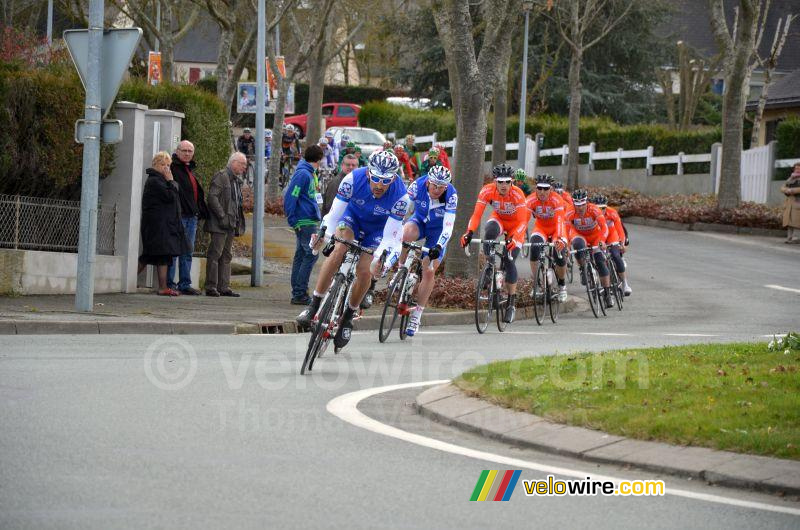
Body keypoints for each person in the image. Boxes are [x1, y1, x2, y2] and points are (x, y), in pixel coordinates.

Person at [297, 150, 409, 351]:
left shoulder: (401, 195)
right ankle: (313, 305)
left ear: (394, 177)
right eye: (375, 179)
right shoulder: (352, 179)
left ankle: (348, 317)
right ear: (368, 173)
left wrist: (379, 258)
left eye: (386, 180)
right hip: (352, 220)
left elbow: (391, 236)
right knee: (339, 249)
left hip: (378, 230)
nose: (380, 185)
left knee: (365, 270)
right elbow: (333, 215)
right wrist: (325, 234)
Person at [461, 163, 529, 323]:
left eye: (507, 181)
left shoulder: (518, 194)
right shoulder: (487, 190)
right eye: (500, 182)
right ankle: (490, 267)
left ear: (512, 181)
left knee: (509, 259)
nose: (504, 185)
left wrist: (515, 237)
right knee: (489, 231)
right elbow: (477, 215)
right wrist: (469, 232)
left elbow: (523, 222)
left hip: (516, 227)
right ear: (495, 181)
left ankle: (511, 303)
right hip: (499, 220)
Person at [400, 165, 458, 336]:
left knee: (429, 271)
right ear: (428, 182)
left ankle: (417, 314)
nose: (437, 189)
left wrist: (439, 246)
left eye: (442, 186)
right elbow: (403, 208)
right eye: (434, 185)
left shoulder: (451, 195)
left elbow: (448, 226)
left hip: (437, 231)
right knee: (406, 233)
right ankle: (401, 268)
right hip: (419, 221)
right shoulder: (418, 184)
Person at [138, 151, 191, 296]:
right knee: (152, 255)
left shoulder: (160, 180)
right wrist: (171, 180)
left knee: (162, 255)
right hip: (157, 226)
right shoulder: (155, 181)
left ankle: (163, 287)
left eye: (168, 165)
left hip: (164, 225)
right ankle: (129, 281)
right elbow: (170, 196)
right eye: (163, 164)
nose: (166, 168)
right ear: (156, 165)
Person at [284, 145, 325, 305]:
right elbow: (291, 196)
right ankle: (300, 293)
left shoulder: (308, 173)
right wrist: (292, 220)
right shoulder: (303, 174)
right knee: (310, 255)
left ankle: (298, 292)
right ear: (319, 159)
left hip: (308, 220)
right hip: (305, 221)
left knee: (302, 255)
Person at [204, 152, 247, 297]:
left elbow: (236, 203)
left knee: (226, 255)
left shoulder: (235, 180)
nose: (244, 167)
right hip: (220, 223)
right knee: (215, 253)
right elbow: (212, 198)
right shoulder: (222, 176)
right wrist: (222, 215)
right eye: (242, 164)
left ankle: (224, 286)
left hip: (230, 223)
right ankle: (211, 286)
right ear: (234, 162)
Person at [168, 140, 208, 295]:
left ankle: (185, 283)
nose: (187, 153)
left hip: (191, 217)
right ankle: (170, 284)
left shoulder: (188, 169)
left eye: (190, 151)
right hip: (179, 217)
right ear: (177, 151)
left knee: (187, 251)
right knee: (174, 251)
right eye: (184, 150)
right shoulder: (173, 168)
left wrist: (198, 211)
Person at [565, 189, 614, 309]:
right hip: (579, 235)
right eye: (577, 205)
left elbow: (604, 228)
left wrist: (602, 240)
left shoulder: (594, 209)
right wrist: (566, 246)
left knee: (600, 261)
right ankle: (582, 268)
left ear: (586, 202)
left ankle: (607, 293)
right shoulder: (569, 212)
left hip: (595, 236)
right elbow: (565, 231)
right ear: (573, 204)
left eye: (582, 205)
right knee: (578, 245)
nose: (580, 208)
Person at [526, 174, 568, 302]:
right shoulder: (530, 200)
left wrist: (560, 238)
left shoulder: (557, 200)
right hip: (541, 229)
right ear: (536, 188)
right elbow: (523, 220)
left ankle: (562, 285)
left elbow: (560, 220)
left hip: (557, 229)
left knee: (558, 254)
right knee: (534, 248)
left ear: (551, 189)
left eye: (546, 188)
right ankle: (537, 283)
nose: (542, 191)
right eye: (539, 188)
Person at [592, 194, 631, 296]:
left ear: (606, 206)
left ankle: (625, 284)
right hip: (598, 237)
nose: (601, 211)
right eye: (598, 208)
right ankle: (603, 284)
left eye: (603, 208)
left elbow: (620, 230)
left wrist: (622, 244)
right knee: (598, 259)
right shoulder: (591, 214)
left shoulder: (612, 213)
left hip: (611, 236)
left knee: (616, 255)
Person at [781, 162, 800, 244]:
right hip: (789, 202)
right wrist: (786, 190)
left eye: (799, 168)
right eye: (796, 168)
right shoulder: (791, 178)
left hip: (798, 201)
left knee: (796, 220)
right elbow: (782, 187)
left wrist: (792, 190)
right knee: (789, 220)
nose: (797, 169)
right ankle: (789, 237)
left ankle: (797, 238)